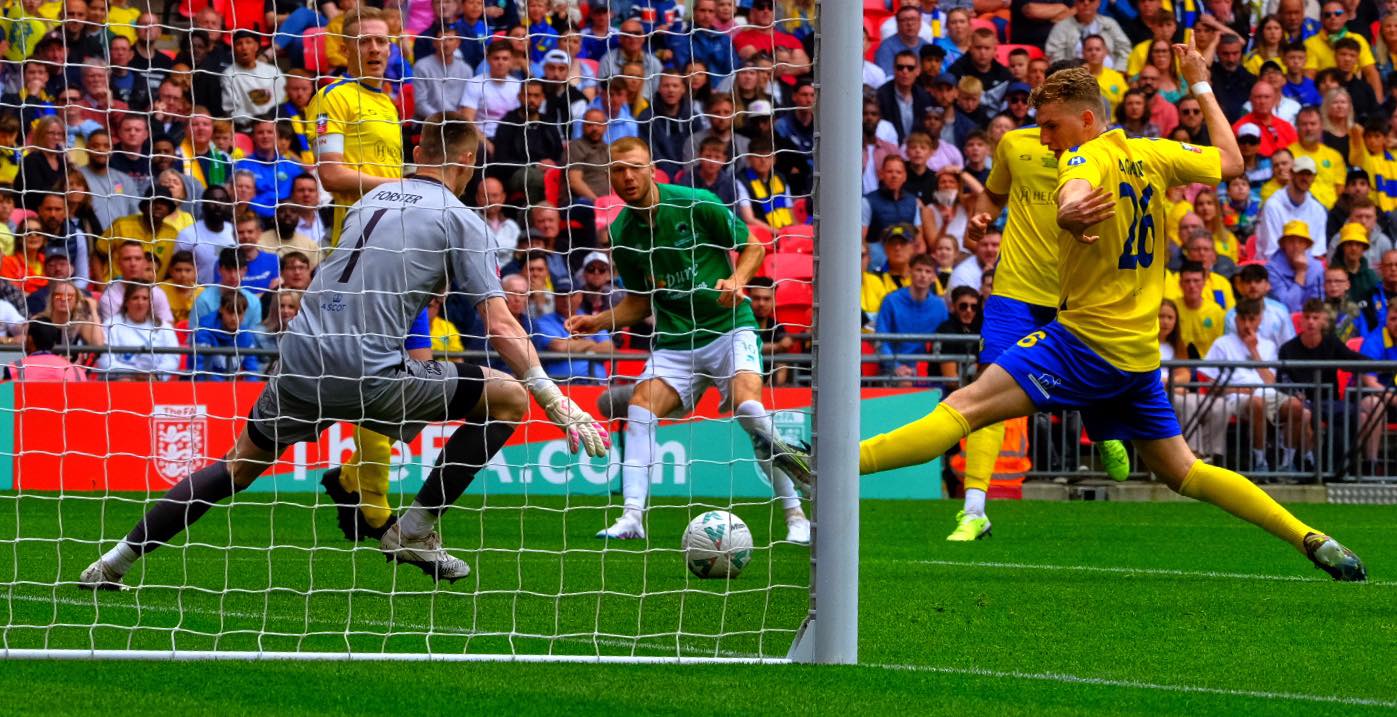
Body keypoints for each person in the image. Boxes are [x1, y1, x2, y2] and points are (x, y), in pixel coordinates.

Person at [856, 55, 1364, 580]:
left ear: (1088, 120)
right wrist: (1200, 84)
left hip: (1084, 343)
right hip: (1137, 358)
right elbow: (1231, 160)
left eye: (1052, 125)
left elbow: (1074, 189)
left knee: (963, 406)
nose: (1046, 137)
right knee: (1185, 472)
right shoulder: (1153, 152)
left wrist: (1068, 210)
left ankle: (834, 467)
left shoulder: (1084, 158)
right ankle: (1311, 537)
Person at [80, 114, 610, 590]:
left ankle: (113, 562)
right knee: (509, 399)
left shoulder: (367, 201)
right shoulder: (460, 217)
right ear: (469, 160)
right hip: (370, 370)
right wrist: (554, 397)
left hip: (301, 357)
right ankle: (415, 530)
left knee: (237, 467)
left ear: (418, 151)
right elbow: (497, 320)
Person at [565, 137, 811, 545]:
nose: (627, 176)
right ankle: (631, 517)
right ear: (609, 176)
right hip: (676, 340)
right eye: (618, 170)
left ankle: (796, 515)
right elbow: (641, 301)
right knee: (641, 409)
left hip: (729, 326)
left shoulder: (696, 202)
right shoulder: (623, 232)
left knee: (750, 409)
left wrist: (737, 280)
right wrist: (599, 320)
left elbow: (753, 244)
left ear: (651, 168)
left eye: (635, 167)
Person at [1199, 298, 1309, 474]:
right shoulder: (1222, 344)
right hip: (1236, 398)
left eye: (1252, 319)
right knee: (1257, 403)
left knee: (1296, 406)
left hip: (1268, 393)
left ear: (1260, 320)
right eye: (1243, 319)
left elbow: (1271, 382)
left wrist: (1254, 351)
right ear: (1236, 320)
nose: (1247, 324)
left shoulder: (1268, 345)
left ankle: (1288, 462)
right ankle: (1260, 461)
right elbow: (1210, 383)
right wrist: (1240, 390)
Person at [877, 254, 948, 386]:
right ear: (910, 271)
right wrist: (896, 366)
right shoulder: (891, 301)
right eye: (919, 270)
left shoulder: (940, 306)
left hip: (929, 369)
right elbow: (881, 340)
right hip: (894, 368)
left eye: (928, 271)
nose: (923, 275)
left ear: (933, 277)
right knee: (906, 383)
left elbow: (945, 341)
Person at [97, 282, 180, 380]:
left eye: (145, 298)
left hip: (154, 382)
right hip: (118, 382)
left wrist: (155, 376)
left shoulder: (163, 326)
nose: (140, 302)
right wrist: (134, 374)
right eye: (135, 298)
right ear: (126, 302)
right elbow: (105, 360)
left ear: (150, 303)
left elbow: (172, 358)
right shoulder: (110, 324)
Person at [1256, 157, 1329, 259]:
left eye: (1308, 174)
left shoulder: (1318, 210)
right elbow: (1271, 250)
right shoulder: (1272, 205)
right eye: (1300, 173)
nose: (1304, 178)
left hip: (1308, 265)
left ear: (1314, 177)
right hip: (1276, 265)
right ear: (1291, 174)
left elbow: (1318, 251)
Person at [1225, 261, 1296, 345]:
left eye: (1258, 281)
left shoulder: (1280, 311)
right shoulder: (1232, 315)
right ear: (1241, 287)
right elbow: (1229, 349)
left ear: (1267, 285)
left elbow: (1289, 345)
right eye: (1248, 282)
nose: (1253, 285)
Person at [1175, 261, 1227, 356]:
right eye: (1187, 281)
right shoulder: (1172, 309)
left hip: (1209, 365)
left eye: (1196, 281)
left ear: (1204, 283)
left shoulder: (1216, 311)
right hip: (1177, 364)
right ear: (1180, 284)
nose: (1192, 286)